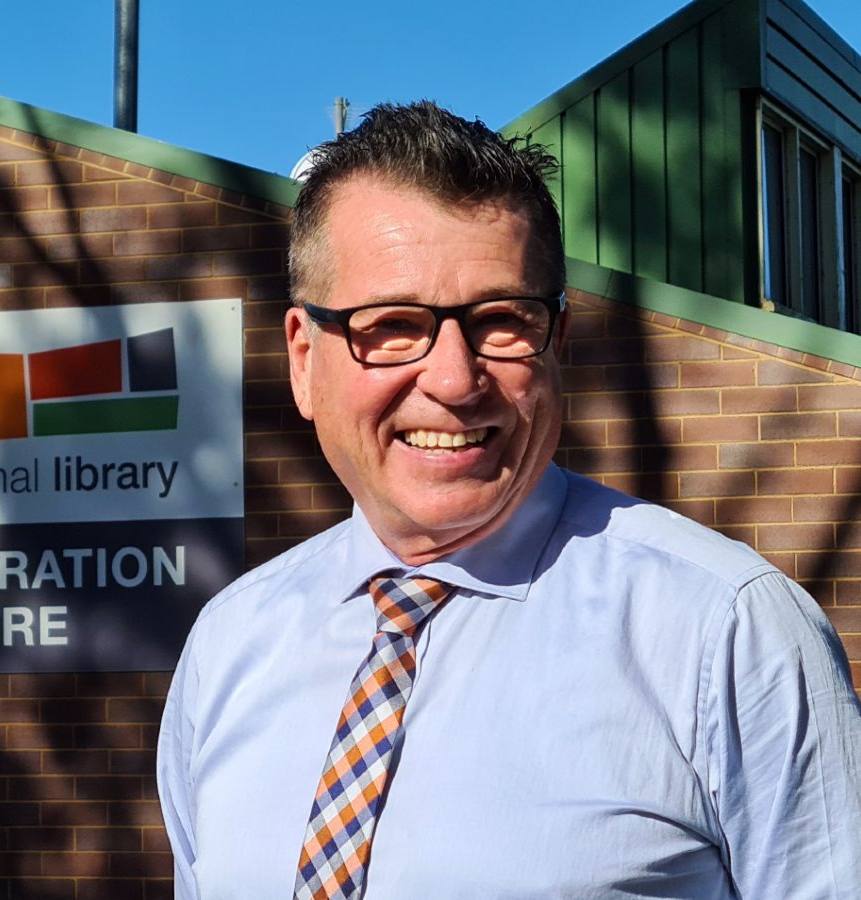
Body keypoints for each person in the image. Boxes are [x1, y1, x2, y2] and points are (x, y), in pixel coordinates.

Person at [157, 101, 861, 899]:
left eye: (501, 321)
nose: (455, 380)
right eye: (390, 324)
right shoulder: (229, 645)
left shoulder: (727, 633)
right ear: (303, 359)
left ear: (557, 343)